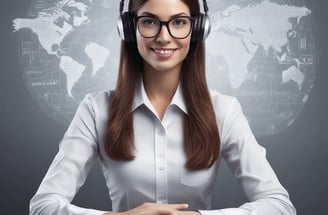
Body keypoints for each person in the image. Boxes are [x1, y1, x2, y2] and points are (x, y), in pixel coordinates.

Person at [30, 0, 297, 214]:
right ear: (129, 28)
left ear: (197, 29)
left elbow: (279, 205)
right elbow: (43, 206)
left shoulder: (224, 110)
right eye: (149, 22)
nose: (163, 36)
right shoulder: (96, 109)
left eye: (179, 22)